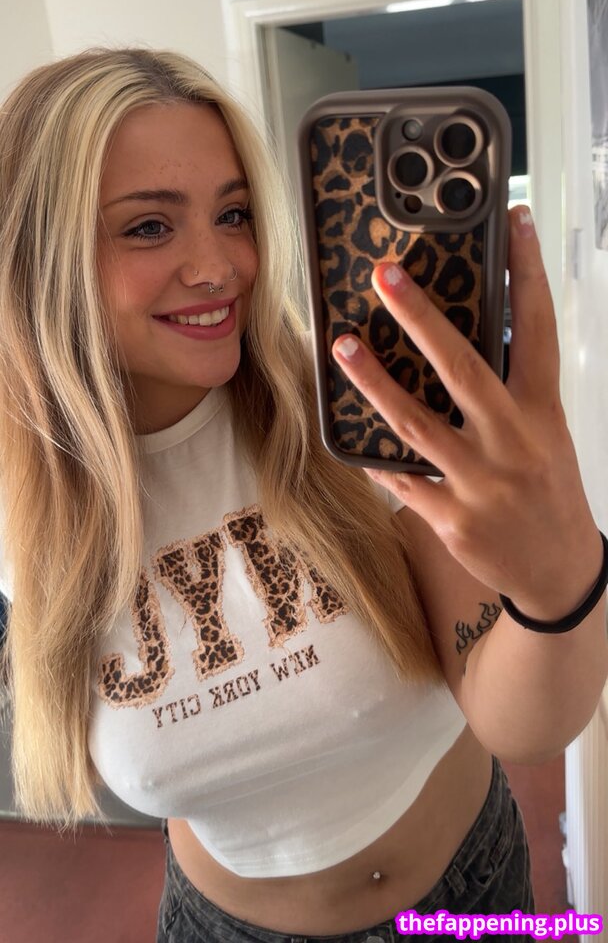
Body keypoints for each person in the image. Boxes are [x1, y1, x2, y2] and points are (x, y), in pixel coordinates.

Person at [0, 47, 606, 943]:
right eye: (149, 227)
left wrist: (559, 586)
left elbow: (525, 724)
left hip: (467, 892)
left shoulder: (354, 410)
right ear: (37, 259)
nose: (219, 267)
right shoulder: (23, 507)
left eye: (233, 213)